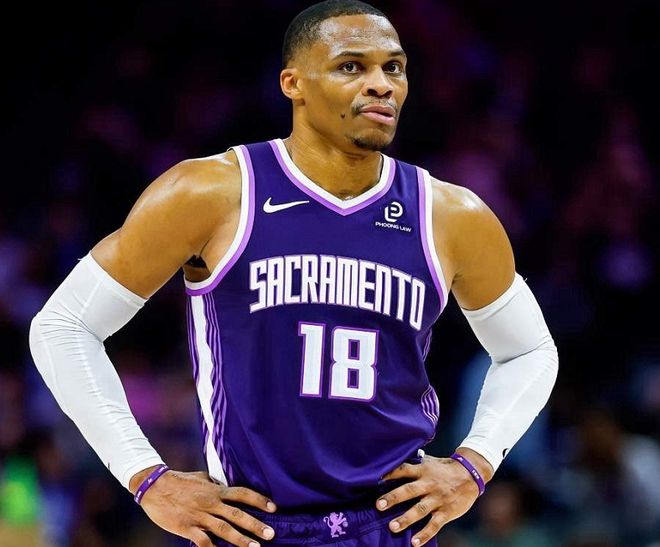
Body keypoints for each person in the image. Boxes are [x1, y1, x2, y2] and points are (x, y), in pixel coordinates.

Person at [28, 1, 559, 546]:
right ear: (293, 84)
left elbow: (530, 350)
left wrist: (474, 464)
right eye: (351, 66)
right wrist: (146, 477)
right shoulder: (212, 192)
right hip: (253, 524)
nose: (381, 84)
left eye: (393, 67)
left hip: (394, 525)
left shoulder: (450, 215)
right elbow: (63, 326)